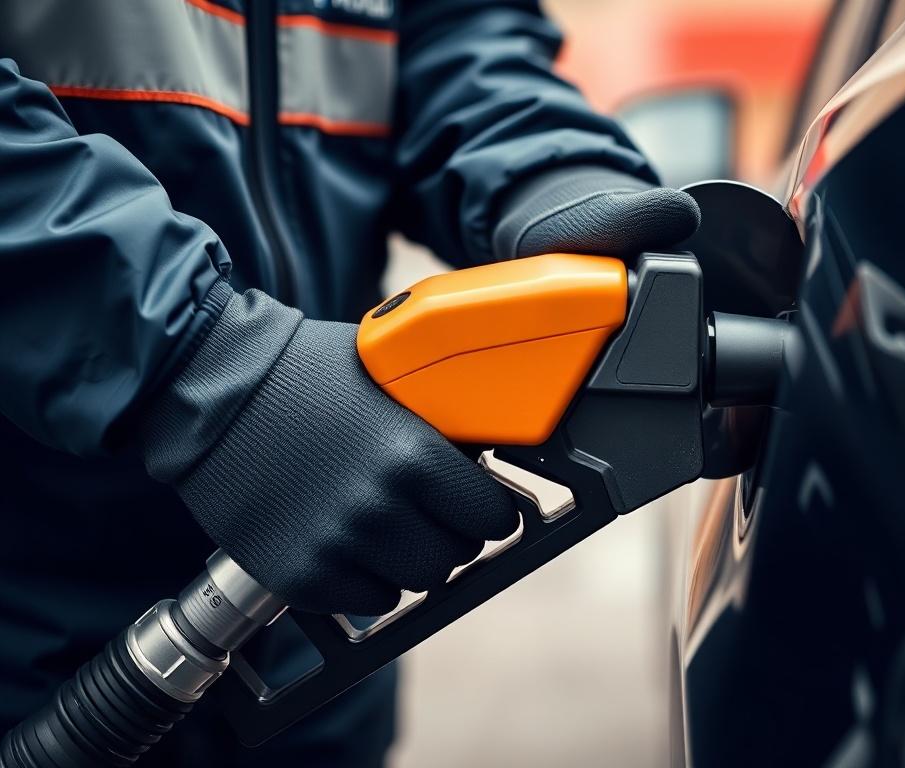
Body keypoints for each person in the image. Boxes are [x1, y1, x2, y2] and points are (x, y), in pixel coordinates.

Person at [0, 0, 700, 764]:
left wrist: (545, 168)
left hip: (317, 630)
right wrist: (203, 372)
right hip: (35, 631)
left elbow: (451, 29)